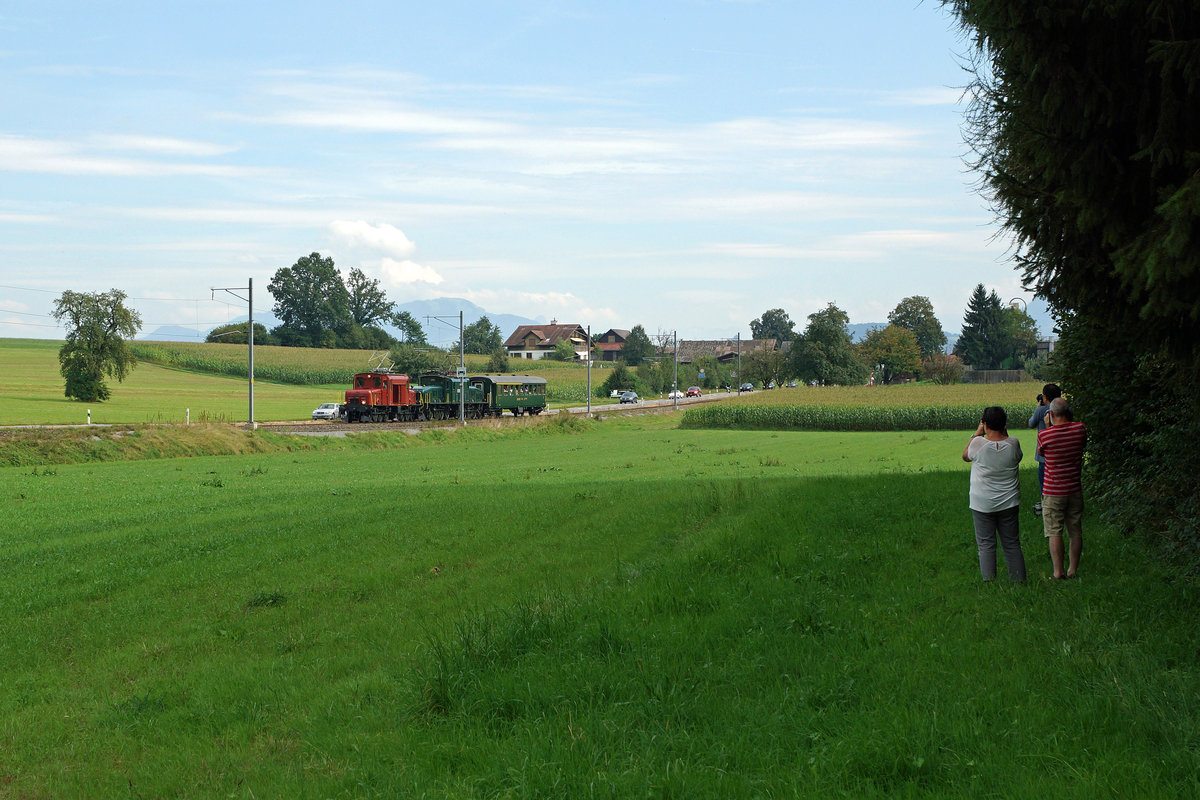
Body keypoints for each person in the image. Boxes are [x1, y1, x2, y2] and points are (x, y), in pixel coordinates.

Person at [962, 406, 1026, 582]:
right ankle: (1019, 580)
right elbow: (1016, 455)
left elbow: (965, 456)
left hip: (982, 503)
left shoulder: (978, 443)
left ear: (985, 424)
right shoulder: (1014, 443)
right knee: (1012, 543)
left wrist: (977, 432)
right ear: (1004, 424)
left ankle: (989, 581)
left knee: (986, 544)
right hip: (1009, 502)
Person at [1038, 397, 1087, 579]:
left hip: (1053, 491)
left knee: (1054, 531)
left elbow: (1043, 452)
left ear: (1051, 414)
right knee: (1075, 531)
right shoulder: (1080, 429)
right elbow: (1083, 444)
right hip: (1074, 488)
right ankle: (1073, 569)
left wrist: (1049, 427)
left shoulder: (1045, 435)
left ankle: (1058, 572)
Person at [1028, 383, 1062, 515]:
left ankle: (1047, 507)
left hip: (1044, 455)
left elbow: (1031, 423)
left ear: (1045, 397)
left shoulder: (1042, 410)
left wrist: (1038, 408)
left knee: (1045, 483)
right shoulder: (1064, 409)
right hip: (1061, 452)